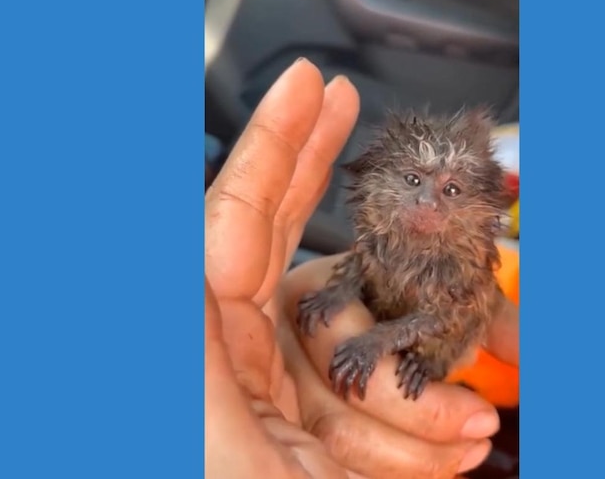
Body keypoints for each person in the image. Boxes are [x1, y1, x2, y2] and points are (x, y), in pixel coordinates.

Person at [205, 58, 520, 478]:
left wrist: (374, 342)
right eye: (413, 180)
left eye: (451, 190)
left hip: (435, 338)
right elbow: (362, 265)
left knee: (450, 332)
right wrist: (337, 293)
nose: (428, 201)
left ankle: (426, 366)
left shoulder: (463, 259)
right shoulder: (380, 232)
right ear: (378, 177)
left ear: (481, 210)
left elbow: (440, 316)